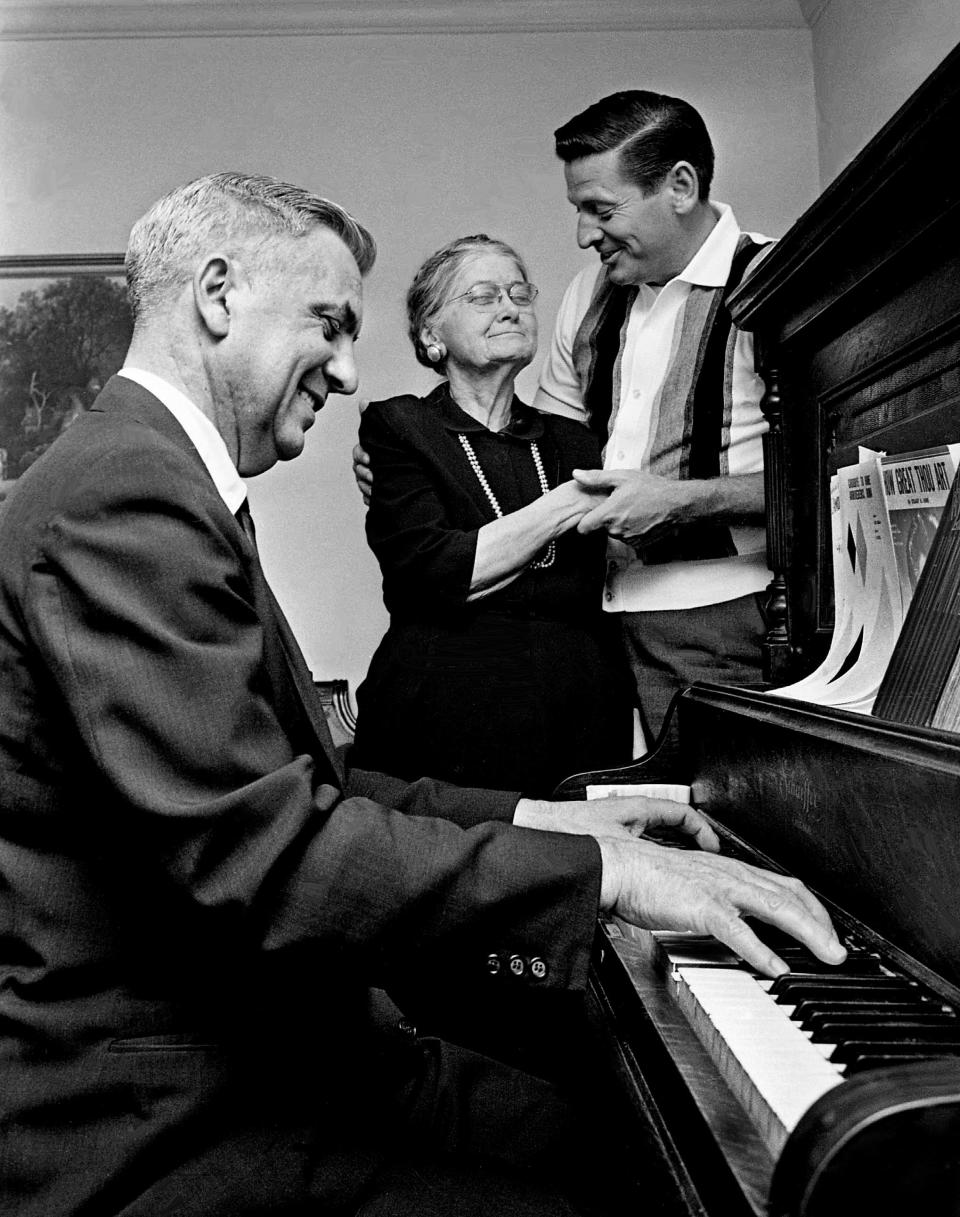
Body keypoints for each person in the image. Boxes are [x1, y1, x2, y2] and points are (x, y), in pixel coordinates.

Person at [0, 171, 845, 1217]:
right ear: (218, 295)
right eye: (330, 322)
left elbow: (314, 786)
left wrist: (551, 814)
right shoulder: (125, 493)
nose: (351, 371)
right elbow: (264, 857)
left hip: (287, 1044)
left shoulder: (155, 477)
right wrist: (603, 873)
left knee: (623, 1137)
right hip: (172, 1103)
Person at [353, 91, 773, 763]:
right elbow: (554, 449)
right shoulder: (589, 294)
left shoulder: (773, 283)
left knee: (715, 822)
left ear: (681, 187)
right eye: (578, 210)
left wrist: (684, 502)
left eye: (601, 211)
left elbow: (831, 483)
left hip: (720, 623)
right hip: (602, 631)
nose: (583, 235)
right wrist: (411, 464)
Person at [349, 234, 634, 795]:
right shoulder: (400, 427)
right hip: (441, 713)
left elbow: (592, 585)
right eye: (482, 296)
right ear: (432, 334)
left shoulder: (575, 442)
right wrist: (567, 506)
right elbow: (432, 574)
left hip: (579, 715)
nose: (510, 308)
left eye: (519, 293)